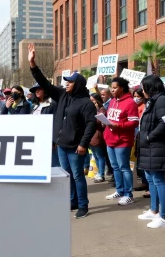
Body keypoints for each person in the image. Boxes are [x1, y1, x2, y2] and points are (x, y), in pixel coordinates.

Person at [28, 43, 96, 219]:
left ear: (78, 84)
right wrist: (33, 64)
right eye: (65, 82)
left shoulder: (86, 103)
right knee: (67, 177)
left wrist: (83, 144)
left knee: (78, 176)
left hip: (76, 147)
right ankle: (72, 201)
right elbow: (43, 82)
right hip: (62, 145)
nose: (66, 84)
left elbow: (90, 125)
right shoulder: (62, 95)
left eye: (70, 82)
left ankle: (83, 205)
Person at [137, 75, 165, 228]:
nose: (142, 91)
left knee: (158, 180)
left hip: (156, 145)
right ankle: (154, 210)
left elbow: (164, 122)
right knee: (151, 179)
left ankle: (164, 217)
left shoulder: (161, 100)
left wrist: (149, 136)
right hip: (149, 146)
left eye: (144, 87)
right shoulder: (153, 100)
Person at [104, 77, 139, 206]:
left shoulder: (130, 103)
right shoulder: (113, 101)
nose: (112, 90)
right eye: (111, 88)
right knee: (115, 167)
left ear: (122, 88)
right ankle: (119, 190)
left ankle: (128, 194)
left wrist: (119, 126)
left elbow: (135, 122)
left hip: (122, 141)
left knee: (124, 167)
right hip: (110, 139)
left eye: (114, 88)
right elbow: (110, 117)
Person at [30, 83, 59, 167]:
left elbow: (56, 122)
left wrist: (53, 141)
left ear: (45, 90)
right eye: (35, 90)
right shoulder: (34, 106)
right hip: (36, 138)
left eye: (39, 89)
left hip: (48, 139)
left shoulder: (52, 104)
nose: (37, 91)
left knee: (53, 164)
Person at [133, 88, 149, 197]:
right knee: (139, 161)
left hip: (142, 135)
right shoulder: (136, 106)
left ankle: (148, 185)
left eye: (138, 96)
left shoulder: (144, 107)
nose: (136, 98)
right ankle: (144, 182)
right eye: (134, 96)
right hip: (137, 136)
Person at [89, 93, 107, 183]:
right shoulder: (90, 109)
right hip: (91, 134)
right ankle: (99, 172)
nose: (91, 102)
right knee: (95, 155)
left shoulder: (102, 110)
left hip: (97, 134)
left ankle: (101, 174)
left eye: (93, 100)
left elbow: (99, 122)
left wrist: (95, 111)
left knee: (100, 155)